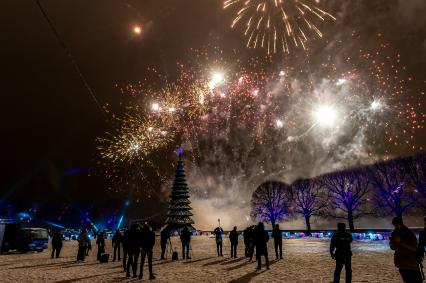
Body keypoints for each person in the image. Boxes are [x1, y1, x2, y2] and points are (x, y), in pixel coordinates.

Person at [390, 217, 423, 283]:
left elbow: (414, 248)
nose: (395, 227)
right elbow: (393, 248)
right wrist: (392, 242)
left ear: (400, 224)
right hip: (401, 264)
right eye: (394, 225)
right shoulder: (395, 233)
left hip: (411, 264)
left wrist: (400, 241)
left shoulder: (409, 233)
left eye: (396, 225)